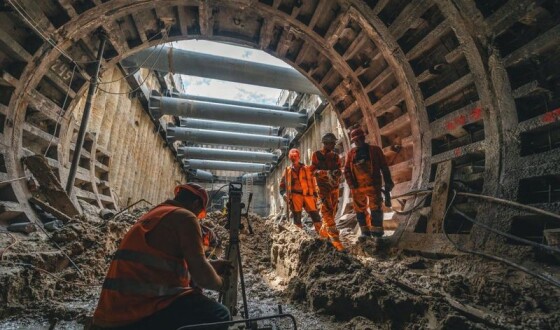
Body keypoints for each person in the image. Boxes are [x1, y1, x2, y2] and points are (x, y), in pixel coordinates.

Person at [93, 183, 231, 330]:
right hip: (139, 312)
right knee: (219, 315)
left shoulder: (156, 214)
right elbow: (202, 278)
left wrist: (210, 265)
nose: (198, 218)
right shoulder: (185, 217)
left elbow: (161, 263)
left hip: (112, 310)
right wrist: (222, 284)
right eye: (199, 214)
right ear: (196, 204)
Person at [344, 128, 394, 239]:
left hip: (373, 185)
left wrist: (388, 182)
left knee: (376, 208)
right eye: (356, 140)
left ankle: (377, 233)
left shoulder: (375, 150)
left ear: (363, 138)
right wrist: (352, 185)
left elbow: (384, 167)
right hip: (357, 187)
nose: (358, 142)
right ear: (353, 142)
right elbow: (347, 170)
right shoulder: (351, 154)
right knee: (359, 209)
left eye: (360, 139)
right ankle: (365, 233)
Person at [310, 133, 345, 251]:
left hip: (334, 188)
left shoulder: (335, 157)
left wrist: (337, 173)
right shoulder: (317, 155)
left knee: (333, 212)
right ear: (326, 143)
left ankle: (323, 235)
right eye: (332, 143)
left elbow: (339, 169)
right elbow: (313, 171)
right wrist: (325, 173)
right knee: (327, 213)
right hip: (322, 188)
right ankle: (336, 242)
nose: (334, 144)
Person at [279, 148, 323, 233]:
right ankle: (299, 236)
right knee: (297, 217)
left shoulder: (306, 168)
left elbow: (313, 182)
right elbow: (282, 186)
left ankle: (322, 235)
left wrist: (315, 195)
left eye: (295, 156)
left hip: (308, 195)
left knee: (315, 216)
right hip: (296, 197)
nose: (294, 159)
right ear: (290, 158)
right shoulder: (287, 171)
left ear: (299, 157)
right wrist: (283, 193)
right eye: (292, 157)